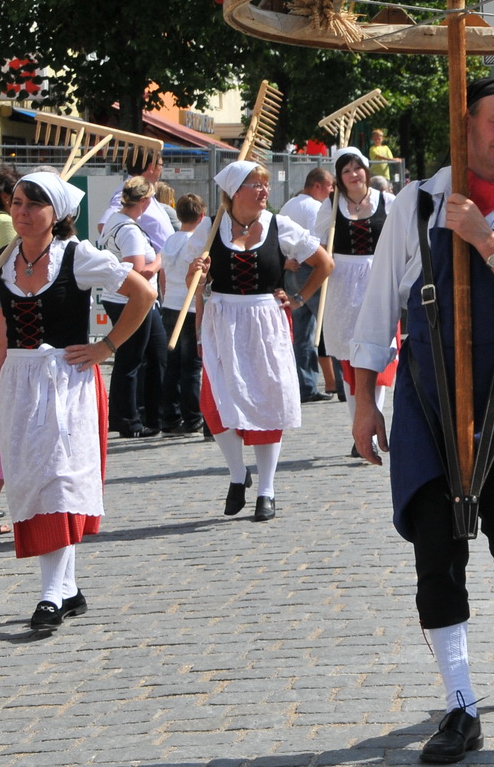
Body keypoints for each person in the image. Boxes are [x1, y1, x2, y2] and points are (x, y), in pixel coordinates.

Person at [348, 76, 494, 764]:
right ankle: (461, 707)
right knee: (436, 558)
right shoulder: (415, 204)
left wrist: (485, 240)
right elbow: (377, 307)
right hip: (426, 400)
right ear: (465, 124)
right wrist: (363, 400)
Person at [0, 172, 156, 632]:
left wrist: (106, 347)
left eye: (33, 205)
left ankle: (50, 596)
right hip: (21, 381)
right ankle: (67, 588)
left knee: (60, 480)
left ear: (57, 214)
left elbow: (144, 293)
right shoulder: (0, 261)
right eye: (18, 204)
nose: (22, 213)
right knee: (32, 480)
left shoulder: (78, 256)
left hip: (67, 380)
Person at [191, 161, 333, 522]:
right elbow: (196, 287)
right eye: (255, 184)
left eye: (264, 184)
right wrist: (198, 293)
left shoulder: (279, 226)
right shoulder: (209, 230)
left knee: (268, 401)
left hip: (265, 320)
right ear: (234, 192)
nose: (264, 191)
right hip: (221, 319)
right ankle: (238, 474)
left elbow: (324, 263)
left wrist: (299, 298)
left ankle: (267, 490)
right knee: (215, 402)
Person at [319, 148, 395, 425]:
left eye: (357, 168)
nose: (353, 174)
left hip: (379, 279)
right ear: (339, 177)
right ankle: (358, 426)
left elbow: (403, 240)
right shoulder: (330, 204)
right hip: (342, 284)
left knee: (377, 355)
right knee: (351, 361)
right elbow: (317, 245)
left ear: (366, 169)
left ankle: (373, 423)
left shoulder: (387, 200)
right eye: (346, 170)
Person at [97, 176, 167, 438]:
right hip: (131, 300)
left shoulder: (116, 219)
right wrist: (161, 258)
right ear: (145, 201)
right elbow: (139, 273)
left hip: (134, 300)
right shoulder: (128, 229)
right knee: (131, 359)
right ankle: (127, 420)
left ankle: (151, 415)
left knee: (156, 354)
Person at [281, 168, 337, 404]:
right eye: (330, 186)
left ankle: (306, 385)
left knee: (302, 332)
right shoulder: (315, 208)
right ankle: (343, 384)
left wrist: (286, 261)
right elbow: (318, 243)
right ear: (317, 186)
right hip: (311, 270)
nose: (332, 191)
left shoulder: (288, 206)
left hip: (290, 270)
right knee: (330, 325)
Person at [160, 193, 207, 436]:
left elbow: (163, 273)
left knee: (173, 366)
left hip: (170, 304)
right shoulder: (197, 243)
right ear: (201, 216)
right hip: (189, 308)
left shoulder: (170, 240)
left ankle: (170, 416)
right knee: (191, 367)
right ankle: (193, 418)